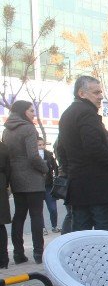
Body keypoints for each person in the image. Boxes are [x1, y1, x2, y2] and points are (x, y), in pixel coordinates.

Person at [59, 75, 108, 231]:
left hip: (78, 184)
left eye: (100, 92)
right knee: (103, 236)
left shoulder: (67, 114)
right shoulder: (87, 113)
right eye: (96, 92)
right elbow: (94, 147)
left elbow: (61, 149)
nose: (101, 96)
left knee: (80, 235)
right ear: (82, 93)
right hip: (97, 186)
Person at [2, 100, 47, 264]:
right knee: (36, 214)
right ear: (22, 111)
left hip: (15, 177)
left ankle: (18, 254)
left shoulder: (7, 130)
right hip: (32, 177)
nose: (33, 113)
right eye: (31, 110)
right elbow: (34, 156)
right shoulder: (28, 128)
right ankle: (38, 252)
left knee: (19, 215)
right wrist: (45, 168)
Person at [38, 137, 59, 233]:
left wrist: (56, 177)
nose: (42, 147)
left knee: (53, 208)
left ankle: (54, 226)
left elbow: (56, 168)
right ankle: (42, 228)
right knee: (38, 210)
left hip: (49, 185)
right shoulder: (33, 156)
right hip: (37, 186)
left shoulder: (49, 155)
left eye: (43, 144)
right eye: (39, 145)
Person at [0, 138, 10, 268]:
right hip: (1, 184)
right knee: (0, 225)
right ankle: (3, 260)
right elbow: (8, 169)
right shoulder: (3, 147)